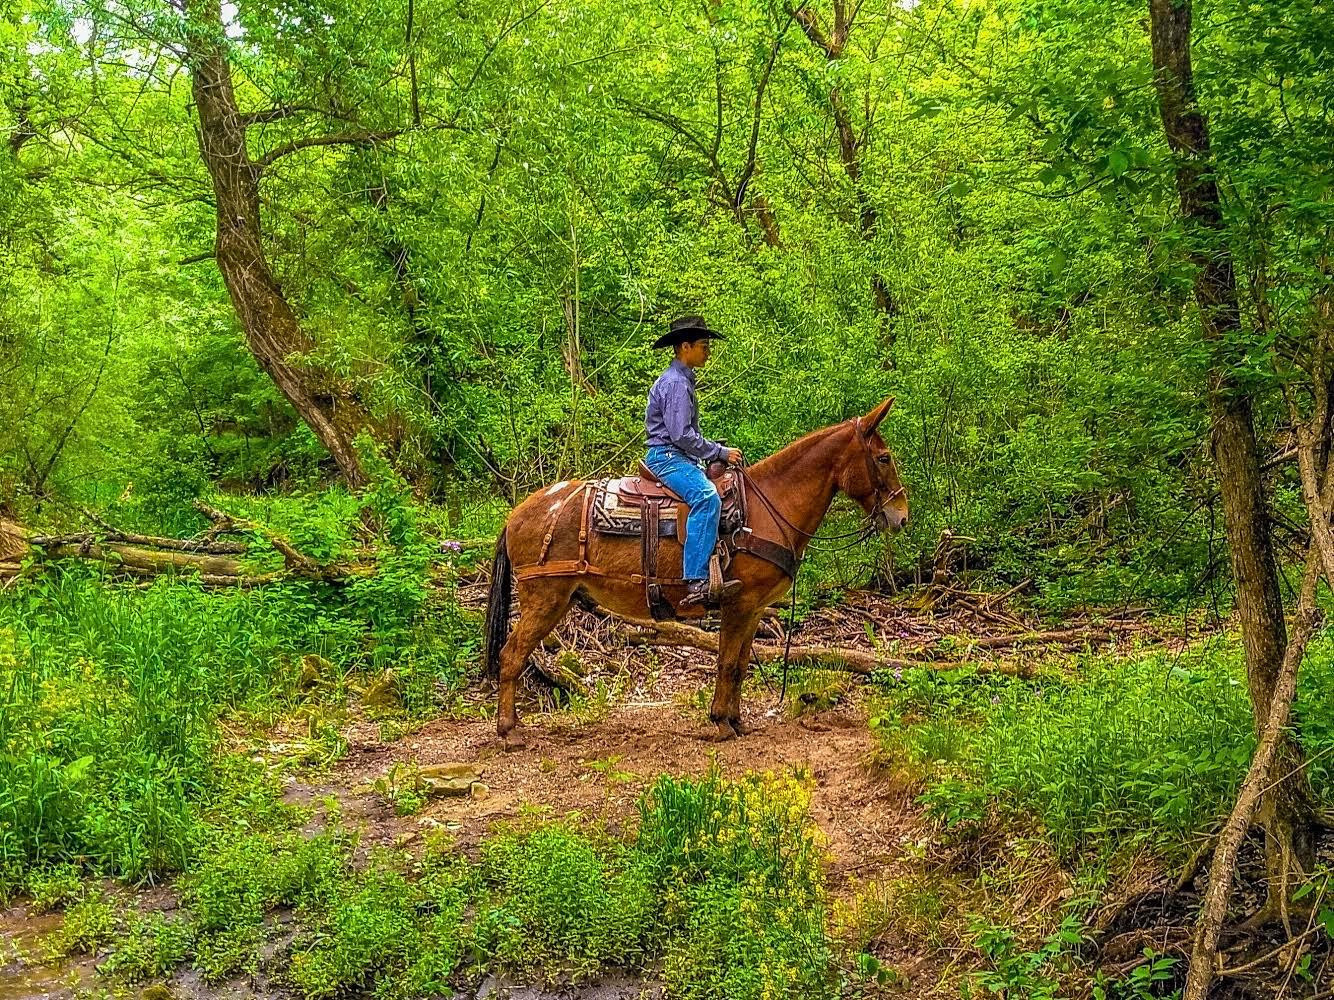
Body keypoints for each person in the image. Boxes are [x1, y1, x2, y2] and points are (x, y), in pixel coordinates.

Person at [644, 315, 744, 608]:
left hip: (676, 455)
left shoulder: (680, 379)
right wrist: (719, 452)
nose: (708, 351)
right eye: (703, 345)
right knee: (707, 497)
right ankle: (697, 579)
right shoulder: (676, 383)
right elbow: (681, 435)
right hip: (667, 458)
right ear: (685, 347)